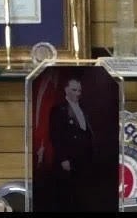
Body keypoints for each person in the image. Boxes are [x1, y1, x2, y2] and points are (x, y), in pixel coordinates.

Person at [47, 77, 95, 209]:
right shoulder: (58, 109)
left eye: (79, 90)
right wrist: (63, 159)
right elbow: (55, 136)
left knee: (82, 194)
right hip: (68, 159)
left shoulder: (84, 108)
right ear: (66, 90)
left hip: (84, 158)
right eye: (74, 90)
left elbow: (87, 132)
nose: (78, 93)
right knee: (67, 195)